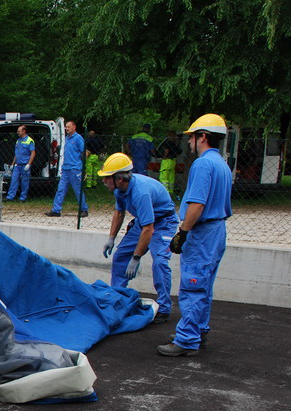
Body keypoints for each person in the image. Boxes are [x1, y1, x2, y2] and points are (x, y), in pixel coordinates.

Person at [157, 114, 232, 357]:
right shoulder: (221, 164)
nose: (188, 141)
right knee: (204, 286)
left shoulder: (202, 164)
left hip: (202, 232)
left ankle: (187, 339)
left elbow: (197, 205)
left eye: (191, 137)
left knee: (193, 285)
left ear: (202, 137)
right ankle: (198, 330)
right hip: (216, 231)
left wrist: (182, 232)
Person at [98, 153, 178, 324]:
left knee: (160, 262)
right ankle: (117, 297)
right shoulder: (119, 190)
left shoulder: (140, 193)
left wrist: (136, 257)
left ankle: (164, 308)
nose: (104, 181)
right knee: (120, 256)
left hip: (163, 223)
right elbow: (119, 213)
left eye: (107, 178)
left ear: (120, 178)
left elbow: (149, 230)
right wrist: (111, 238)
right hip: (144, 222)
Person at [47, 119, 88, 217]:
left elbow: (84, 152)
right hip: (65, 168)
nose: (67, 128)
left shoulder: (78, 138)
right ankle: (56, 210)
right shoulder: (66, 138)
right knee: (60, 189)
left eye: (69, 127)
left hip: (75, 168)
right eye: (66, 127)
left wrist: (82, 166)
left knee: (78, 190)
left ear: (74, 127)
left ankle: (84, 209)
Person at [6, 125, 35, 202]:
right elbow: (16, 154)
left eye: (19, 131)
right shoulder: (18, 141)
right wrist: (12, 164)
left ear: (24, 131)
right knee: (14, 181)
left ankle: (22, 198)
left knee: (24, 182)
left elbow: (33, 153)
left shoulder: (29, 140)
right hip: (17, 165)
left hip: (25, 165)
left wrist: (29, 164)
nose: (17, 132)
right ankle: (10, 197)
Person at [156, 130, 182, 195]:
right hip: (173, 161)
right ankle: (170, 192)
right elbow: (180, 151)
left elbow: (166, 150)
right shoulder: (175, 143)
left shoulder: (168, 142)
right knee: (171, 178)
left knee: (163, 177)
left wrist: (164, 156)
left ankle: (165, 192)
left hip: (167, 161)